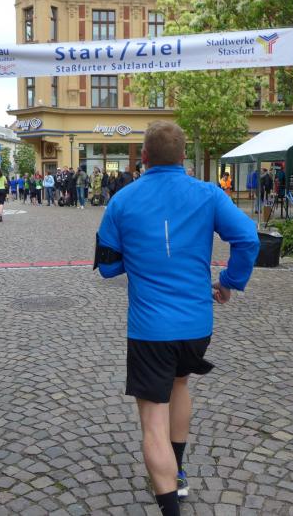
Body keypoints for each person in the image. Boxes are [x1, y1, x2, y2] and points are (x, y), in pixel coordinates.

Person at [95, 121, 259, 516]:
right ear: (184, 156)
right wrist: (229, 281)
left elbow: (108, 267)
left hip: (150, 328)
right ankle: (179, 470)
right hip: (196, 324)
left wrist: (139, 259)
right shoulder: (208, 194)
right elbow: (248, 238)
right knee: (181, 382)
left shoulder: (122, 200)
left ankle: (170, 507)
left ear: (144, 157)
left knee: (153, 418)